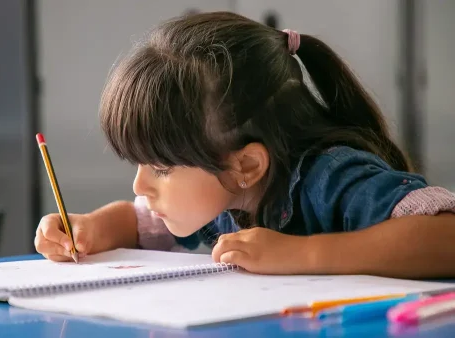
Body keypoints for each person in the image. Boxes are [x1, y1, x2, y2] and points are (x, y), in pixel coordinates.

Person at [34, 11, 455, 278]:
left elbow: (446, 238)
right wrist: (89, 228)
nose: (139, 186)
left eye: (161, 168)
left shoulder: (332, 177)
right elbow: (142, 222)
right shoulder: (223, 195)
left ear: (246, 165)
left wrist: (303, 255)